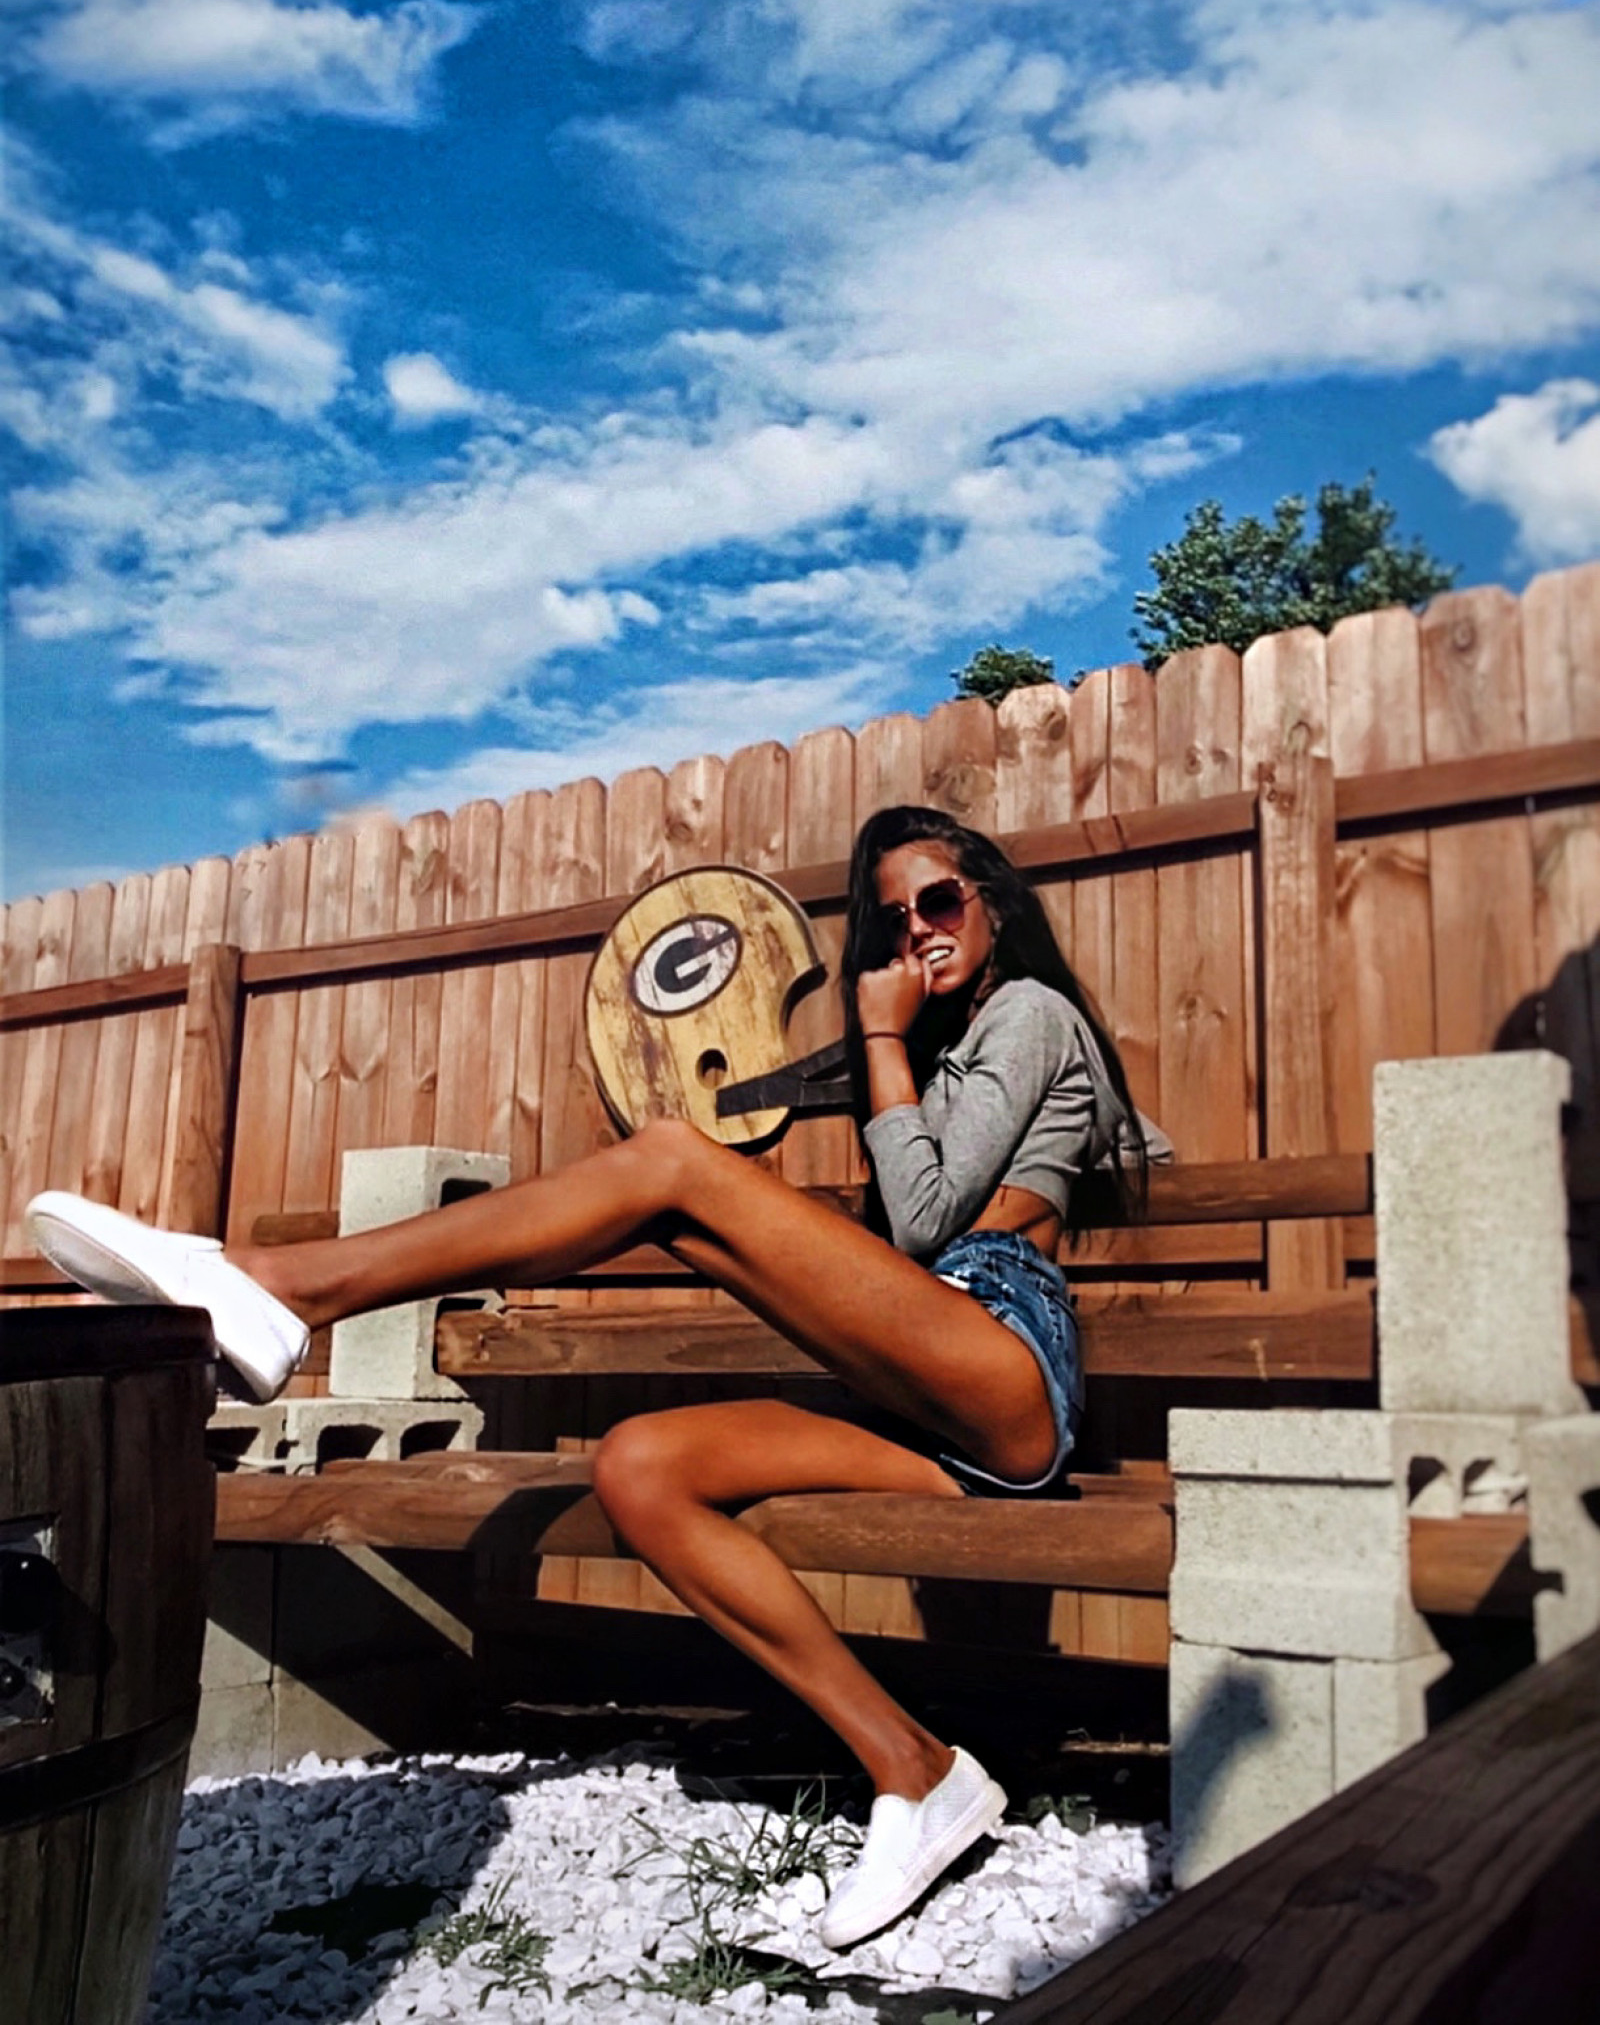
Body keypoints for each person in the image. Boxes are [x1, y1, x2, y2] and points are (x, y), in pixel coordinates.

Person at [27, 804, 1156, 1950]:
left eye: (939, 900)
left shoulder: (1026, 1010)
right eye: (891, 916)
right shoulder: (957, 1048)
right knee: (641, 1464)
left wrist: (878, 1034)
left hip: (1002, 1364)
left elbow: (923, 1221)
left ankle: (281, 1289)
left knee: (670, 1160)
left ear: (993, 902)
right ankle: (914, 1767)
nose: (914, 930)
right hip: (937, 1406)